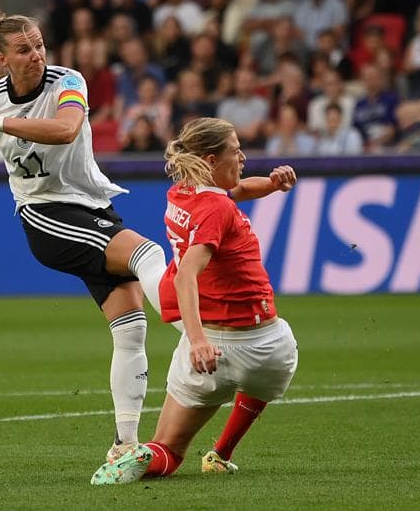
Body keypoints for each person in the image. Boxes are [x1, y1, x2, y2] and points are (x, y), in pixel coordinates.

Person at [0, 13, 296, 470]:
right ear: (1, 58)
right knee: (147, 253)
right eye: (24, 50)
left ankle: (123, 444)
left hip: (94, 208)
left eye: (40, 45)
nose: (37, 55)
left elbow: (66, 129)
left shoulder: (67, 81)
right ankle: (200, 337)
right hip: (47, 214)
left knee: (130, 327)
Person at [91, 118, 299, 485]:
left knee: (168, 451)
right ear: (211, 160)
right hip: (269, 349)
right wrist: (198, 340)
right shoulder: (217, 209)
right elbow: (187, 273)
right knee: (261, 379)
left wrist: (271, 184)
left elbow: (235, 191)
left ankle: (135, 457)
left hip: (210, 354)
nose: (243, 157)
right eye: (236, 151)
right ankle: (221, 453)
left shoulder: (180, 194)